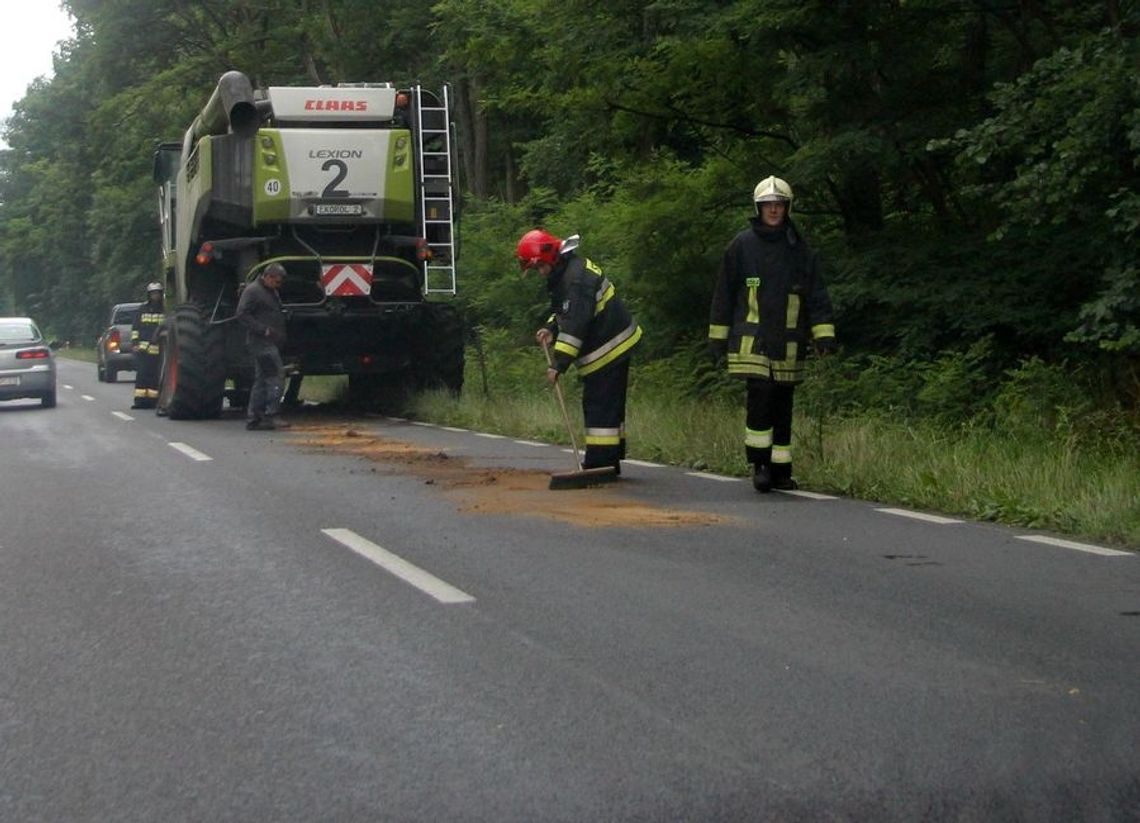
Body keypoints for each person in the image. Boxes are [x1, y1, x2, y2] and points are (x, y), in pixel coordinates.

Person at [708, 176, 836, 492]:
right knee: (760, 400)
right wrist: (718, 338)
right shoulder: (741, 246)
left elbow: (816, 294)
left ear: (787, 207)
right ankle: (760, 465)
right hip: (752, 343)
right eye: (769, 205)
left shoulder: (800, 249)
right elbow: (724, 293)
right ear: (759, 208)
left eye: (779, 205)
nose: (774, 210)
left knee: (783, 404)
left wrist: (824, 335)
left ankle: (781, 469)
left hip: (789, 343)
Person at [516, 229, 642, 474]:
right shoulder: (568, 271)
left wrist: (557, 364)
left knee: (600, 406)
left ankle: (600, 465)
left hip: (610, 346)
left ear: (551, 257)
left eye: (540, 267)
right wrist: (551, 327)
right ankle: (609, 459)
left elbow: (574, 327)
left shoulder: (575, 280)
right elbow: (565, 311)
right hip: (611, 342)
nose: (540, 273)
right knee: (607, 406)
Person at [235, 263, 290, 430]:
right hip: (261, 343)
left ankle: (254, 418)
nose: (278, 285)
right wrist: (263, 330)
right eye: (277, 282)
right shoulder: (253, 291)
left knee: (261, 380)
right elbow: (242, 314)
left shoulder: (269, 291)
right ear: (268, 276)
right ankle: (271, 415)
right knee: (276, 375)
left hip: (268, 342)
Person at [130, 282, 165, 409]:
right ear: (149, 295)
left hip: (158, 351)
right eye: (153, 294)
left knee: (154, 377)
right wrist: (135, 343)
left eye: (157, 293)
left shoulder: (164, 310)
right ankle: (139, 401)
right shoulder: (142, 309)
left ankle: (152, 401)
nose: (155, 296)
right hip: (142, 350)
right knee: (142, 375)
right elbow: (136, 328)